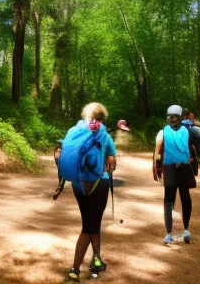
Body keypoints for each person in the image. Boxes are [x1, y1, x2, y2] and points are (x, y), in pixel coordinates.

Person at [65, 103, 117, 283]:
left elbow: (64, 150)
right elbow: (112, 163)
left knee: (92, 222)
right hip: (99, 184)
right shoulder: (103, 133)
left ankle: (96, 260)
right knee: (89, 226)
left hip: (78, 185)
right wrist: (109, 158)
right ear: (101, 118)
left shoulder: (74, 131)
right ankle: (75, 270)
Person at [153, 105, 196, 245]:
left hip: (183, 168)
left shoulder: (187, 131)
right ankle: (169, 233)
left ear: (180, 118)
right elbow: (157, 150)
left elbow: (193, 150)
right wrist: (156, 166)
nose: (172, 119)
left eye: (175, 117)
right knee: (169, 199)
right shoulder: (163, 132)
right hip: (169, 168)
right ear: (167, 118)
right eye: (170, 117)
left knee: (185, 197)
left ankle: (186, 229)